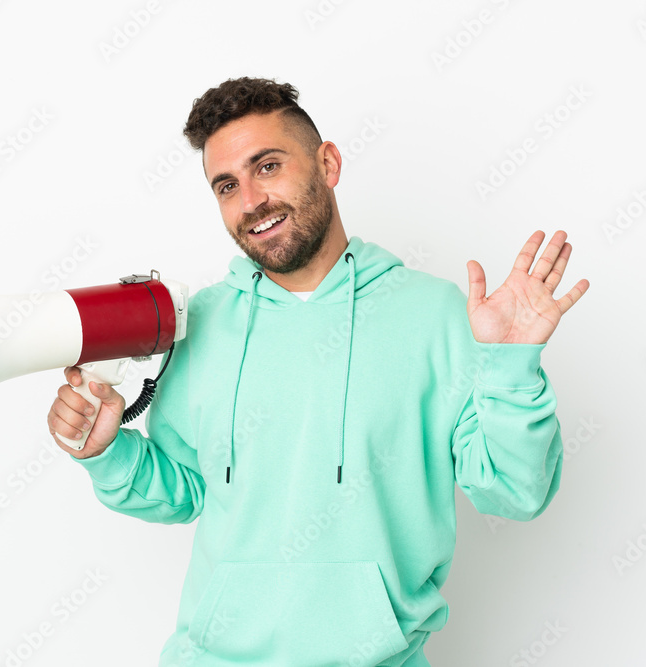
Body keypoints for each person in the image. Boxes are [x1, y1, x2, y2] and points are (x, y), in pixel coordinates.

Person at [47, 77, 589, 666]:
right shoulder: (197, 323)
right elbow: (186, 489)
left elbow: (517, 492)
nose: (251, 200)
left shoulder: (438, 317)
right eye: (227, 185)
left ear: (327, 162)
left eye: (268, 166)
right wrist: (108, 452)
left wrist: (509, 366)